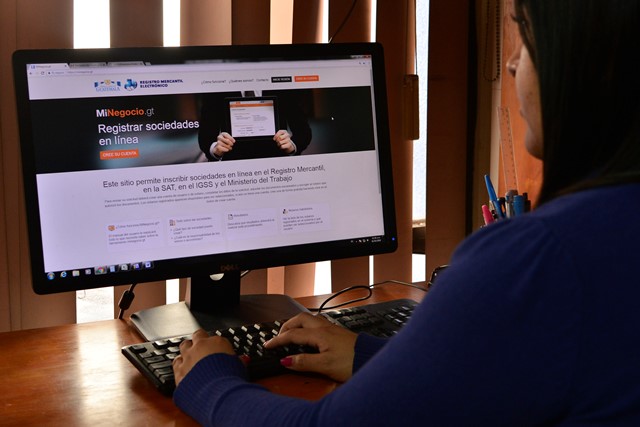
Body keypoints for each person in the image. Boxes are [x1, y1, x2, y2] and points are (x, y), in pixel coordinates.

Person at [172, 1, 640, 424]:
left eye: (528, 38)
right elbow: (502, 375)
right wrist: (367, 355)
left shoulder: (540, 260)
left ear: (590, 63)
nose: (513, 63)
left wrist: (209, 380)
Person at [198, 90, 312, 161]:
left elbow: (303, 132)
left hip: (277, 165)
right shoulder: (215, 91)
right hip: (234, 168)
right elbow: (205, 138)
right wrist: (215, 149)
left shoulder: (282, 87)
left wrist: (292, 146)